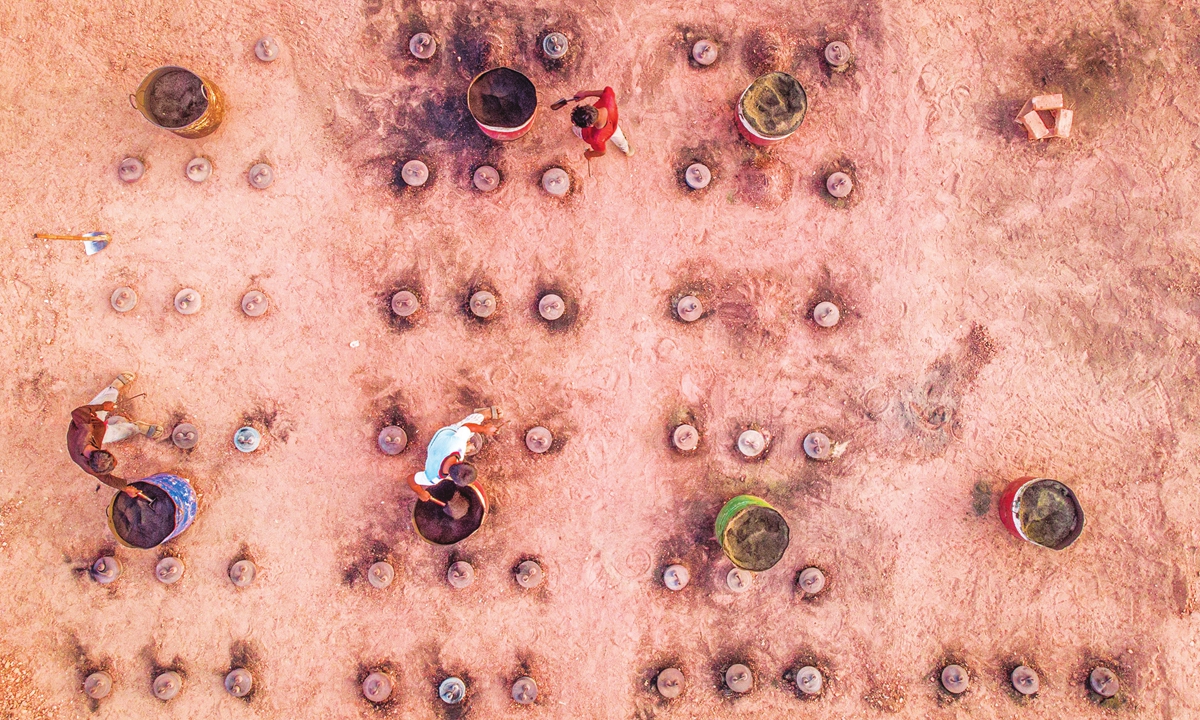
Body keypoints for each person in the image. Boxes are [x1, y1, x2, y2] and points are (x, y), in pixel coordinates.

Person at [67, 373, 164, 497]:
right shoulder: (92, 466)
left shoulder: (85, 429)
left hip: (90, 419)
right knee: (121, 432)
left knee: (105, 401)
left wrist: (102, 407)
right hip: (98, 430)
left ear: (105, 451)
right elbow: (105, 478)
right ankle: (138, 427)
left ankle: (114, 388)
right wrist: (125, 487)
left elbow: (77, 412)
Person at [408, 409, 501, 504]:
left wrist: (485, 429)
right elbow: (410, 479)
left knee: (467, 429)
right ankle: (483, 414)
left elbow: (467, 428)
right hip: (442, 439)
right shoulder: (432, 477)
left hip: (444, 438)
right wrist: (421, 492)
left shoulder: (457, 444)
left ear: (461, 462)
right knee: (469, 430)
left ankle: (480, 417)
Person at [570, 87, 634, 159]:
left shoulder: (596, 138)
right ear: (591, 107)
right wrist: (585, 93)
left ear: (590, 125)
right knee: (621, 141)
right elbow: (604, 93)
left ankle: (626, 149)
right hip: (614, 127)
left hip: (603, 134)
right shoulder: (609, 99)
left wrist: (589, 154)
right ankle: (627, 150)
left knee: (575, 129)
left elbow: (601, 152)